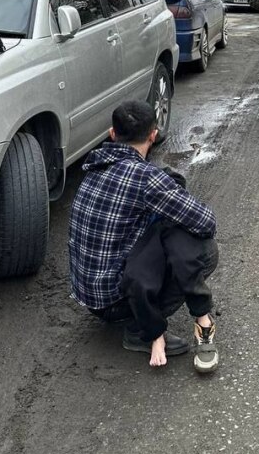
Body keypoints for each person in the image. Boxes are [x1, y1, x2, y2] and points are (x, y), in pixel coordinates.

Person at [68, 100, 219, 373]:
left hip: (89, 296)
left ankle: (142, 316)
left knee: (160, 223)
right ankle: (140, 329)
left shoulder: (93, 166)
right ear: (153, 135)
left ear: (112, 134)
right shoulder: (146, 177)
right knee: (204, 249)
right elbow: (205, 222)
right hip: (117, 302)